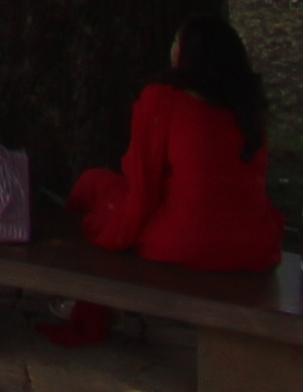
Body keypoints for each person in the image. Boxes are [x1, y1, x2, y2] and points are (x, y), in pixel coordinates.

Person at [73, 16, 284, 274]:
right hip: (254, 245)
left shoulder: (163, 100)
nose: (171, 48)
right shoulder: (250, 108)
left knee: (92, 183)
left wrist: (115, 232)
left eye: (176, 41)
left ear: (188, 54)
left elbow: (143, 188)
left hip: (182, 241)